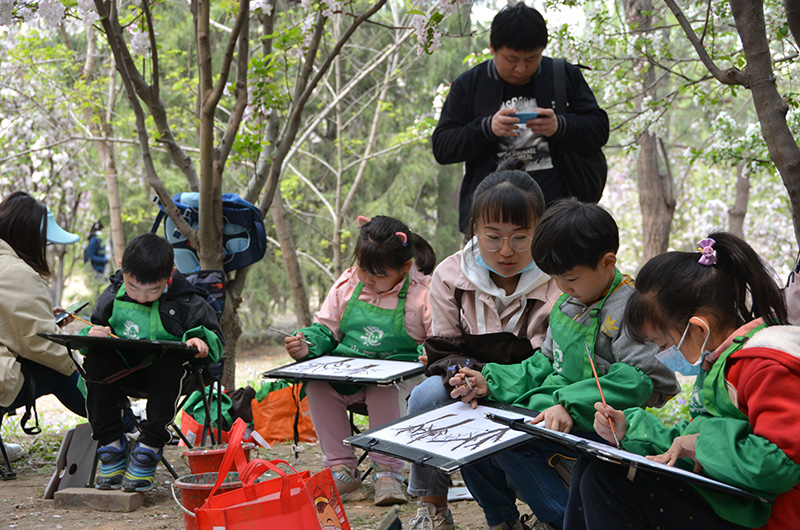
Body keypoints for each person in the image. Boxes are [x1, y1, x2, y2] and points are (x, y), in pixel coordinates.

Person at [449, 199, 679, 530]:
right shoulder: (570, 301)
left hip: (600, 425)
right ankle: (501, 519)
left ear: (607, 261)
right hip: (553, 413)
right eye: (555, 278)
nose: (562, 288)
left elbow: (639, 381)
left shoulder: (629, 310)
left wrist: (570, 405)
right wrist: (491, 381)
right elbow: (546, 362)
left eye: (569, 278)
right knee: (477, 432)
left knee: (510, 446)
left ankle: (564, 519)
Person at [564, 233, 800, 530]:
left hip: (766, 517)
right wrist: (628, 430)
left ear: (698, 329)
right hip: (730, 498)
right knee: (596, 463)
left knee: (607, 482)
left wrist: (701, 445)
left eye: (663, 344)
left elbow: (777, 464)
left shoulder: (766, 366)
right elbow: (689, 441)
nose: (662, 355)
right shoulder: (719, 363)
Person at [406, 165, 562, 530]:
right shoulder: (452, 274)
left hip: (530, 382)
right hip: (463, 376)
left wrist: (495, 380)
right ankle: (433, 507)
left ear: (540, 230)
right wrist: (462, 378)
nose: (506, 251)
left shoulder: (557, 277)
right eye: (492, 237)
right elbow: (443, 347)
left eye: (521, 238)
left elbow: (551, 359)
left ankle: (545, 508)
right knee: (426, 398)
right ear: (473, 228)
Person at [284, 215, 436, 506]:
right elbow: (326, 329)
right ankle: (341, 468)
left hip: (404, 383)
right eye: (363, 269)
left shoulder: (423, 293)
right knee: (316, 386)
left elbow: (440, 340)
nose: (367, 278)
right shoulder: (347, 284)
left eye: (378, 274)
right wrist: (306, 345)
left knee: (383, 387)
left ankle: (388, 472)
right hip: (349, 375)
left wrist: (432, 354)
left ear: (404, 268)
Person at [432, 2, 609, 232]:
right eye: (512, 59)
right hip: (490, 220)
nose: (521, 69)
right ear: (493, 48)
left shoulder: (563, 75)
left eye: (531, 59)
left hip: (558, 217)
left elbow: (599, 129)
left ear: (542, 50)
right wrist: (487, 128)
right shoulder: (470, 84)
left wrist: (560, 125)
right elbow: (442, 147)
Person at [82, 233, 223, 492]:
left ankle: (149, 445)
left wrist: (201, 342)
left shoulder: (189, 301)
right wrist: (93, 334)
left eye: (153, 290)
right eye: (133, 287)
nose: (141, 296)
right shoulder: (113, 294)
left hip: (171, 379)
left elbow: (215, 341)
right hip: (124, 374)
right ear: (122, 266)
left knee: (169, 359)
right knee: (96, 358)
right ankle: (111, 442)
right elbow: (94, 328)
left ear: (170, 274)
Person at [0, 191, 86, 461]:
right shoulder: (16, 272)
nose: (45, 248)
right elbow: (41, 342)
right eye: (44, 242)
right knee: (60, 367)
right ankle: (122, 424)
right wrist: (82, 366)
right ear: (28, 237)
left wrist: (44, 314)